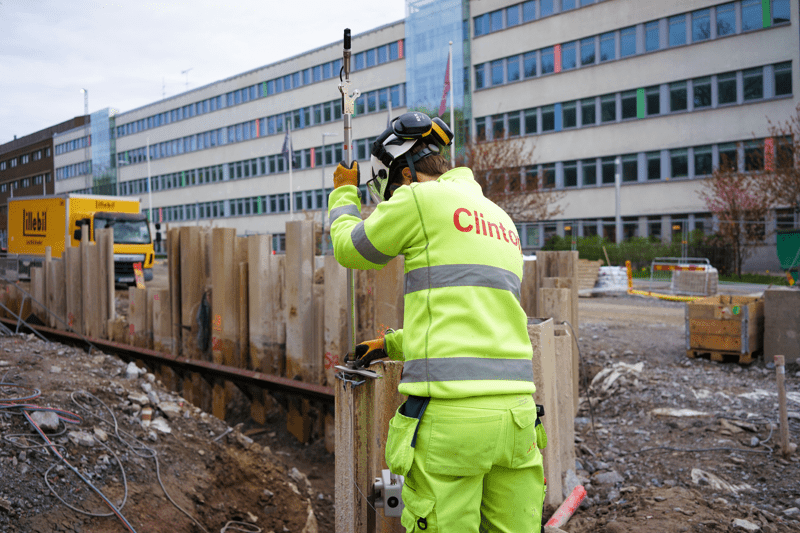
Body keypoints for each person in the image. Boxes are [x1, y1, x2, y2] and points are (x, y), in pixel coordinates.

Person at [328, 111, 546, 533]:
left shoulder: (419, 200)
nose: (390, 204)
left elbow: (349, 250)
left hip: (452, 424)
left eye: (388, 192)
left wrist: (343, 196)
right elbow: (475, 323)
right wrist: (392, 345)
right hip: (518, 418)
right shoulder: (499, 218)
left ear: (404, 175)